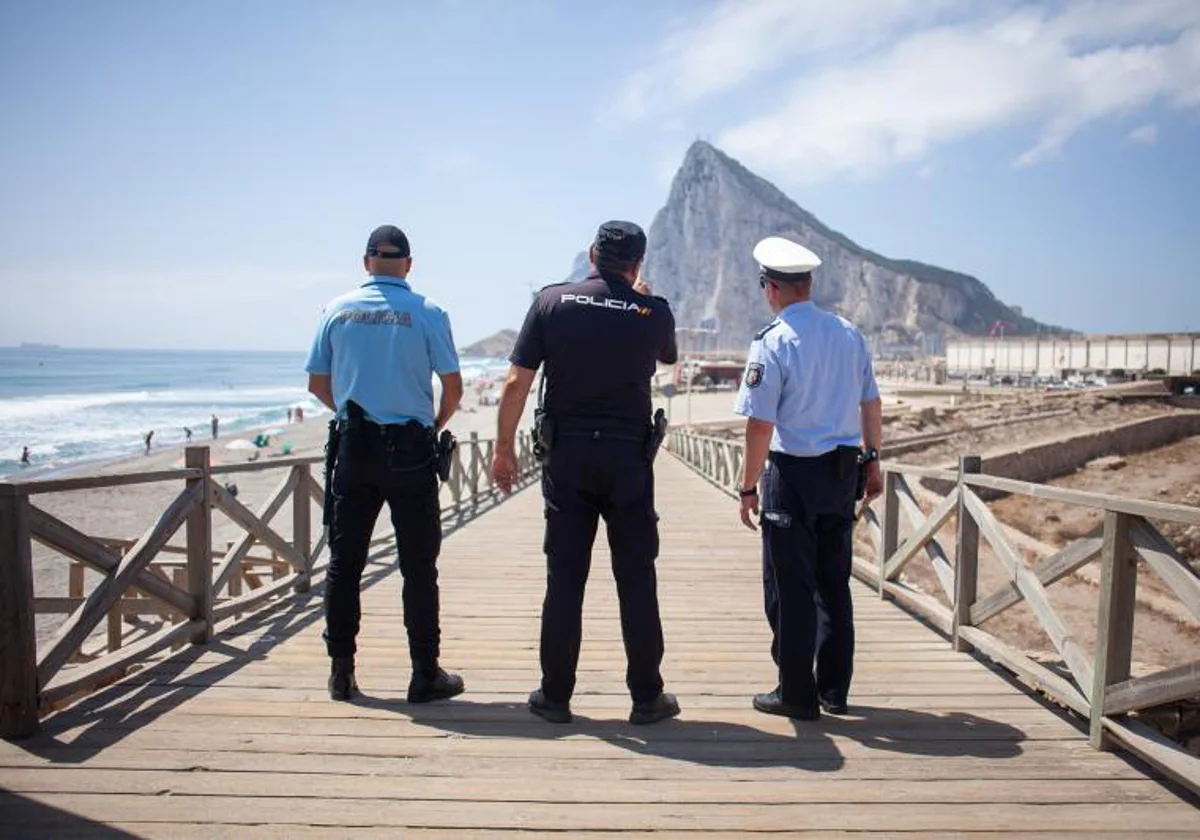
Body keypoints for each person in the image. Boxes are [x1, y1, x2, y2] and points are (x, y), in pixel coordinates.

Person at [491, 220, 680, 726]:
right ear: (637, 264)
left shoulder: (552, 302)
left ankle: (555, 697)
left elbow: (516, 383)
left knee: (565, 579)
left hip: (567, 456)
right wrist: (643, 297)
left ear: (592, 254)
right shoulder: (652, 311)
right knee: (636, 578)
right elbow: (667, 355)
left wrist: (503, 449)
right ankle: (647, 697)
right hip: (628, 459)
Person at [306, 224, 465, 704]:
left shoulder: (336, 310)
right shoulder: (428, 312)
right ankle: (424, 674)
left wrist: (354, 417)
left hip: (355, 448)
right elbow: (453, 387)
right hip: (412, 450)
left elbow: (317, 385)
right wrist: (432, 425)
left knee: (344, 565)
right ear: (409, 265)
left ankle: (341, 672)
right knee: (419, 567)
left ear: (366, 262)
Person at [734, 235, 883, 720]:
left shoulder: (772, 341)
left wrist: (747, 485)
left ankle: (796, 693)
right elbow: (871, 402)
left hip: (793, 474)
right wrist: (874, 460)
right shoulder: (848, 333)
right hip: (842, 472)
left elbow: (760, 424)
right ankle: (834, 690)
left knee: (792, 585)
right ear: (809, 284)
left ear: (769, 288)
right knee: (833, 583)